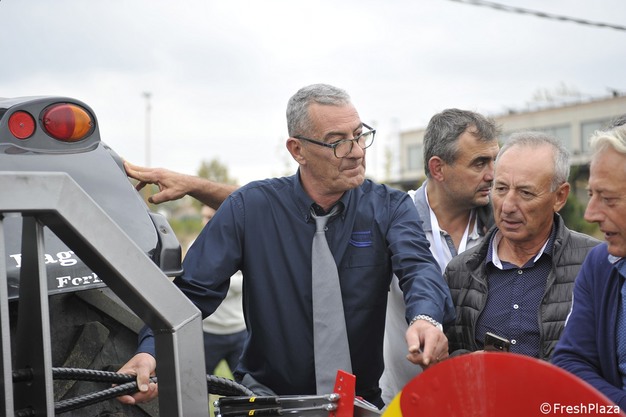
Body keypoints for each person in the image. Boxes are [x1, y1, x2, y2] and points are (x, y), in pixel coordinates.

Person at [117, 83, 455, 408]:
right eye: (337, 142)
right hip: (267, 401)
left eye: (359, 135)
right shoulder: (249, 209)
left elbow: (419, 268)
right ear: (297, 150)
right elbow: (192, 291)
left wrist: (426, 317)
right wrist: (150, 352)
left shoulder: (389, 207)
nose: (355, 151)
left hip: (359, 402)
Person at [379, 109, 500, 404]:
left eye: (494, 160)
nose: (492, 174)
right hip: (401, 402)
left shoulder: (502, 227)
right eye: (479, 163)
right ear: (438, 168)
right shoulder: (392, 220)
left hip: (479, 402)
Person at [444, 131, 600, 359]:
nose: (507, 206)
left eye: (525, 193)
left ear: (560, 196)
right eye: (500, 189)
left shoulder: (597, 264)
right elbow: (447, 358)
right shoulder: (460, 271)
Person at [551, 118, 626, 409]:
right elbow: (570, 364)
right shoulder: (600, 264)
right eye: (592, 194)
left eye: (608, 199)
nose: (590, 214)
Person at [197, 205, 247, 376]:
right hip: (206, 333)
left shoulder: (245, 244)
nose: (206, 222)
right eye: (204, 217)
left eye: (211, 217)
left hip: (240, 331)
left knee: (247, 388)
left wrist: (215, 281)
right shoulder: (195, 246)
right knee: (198, 386)